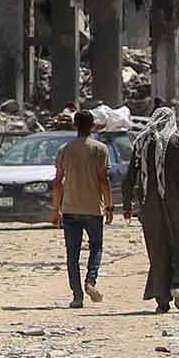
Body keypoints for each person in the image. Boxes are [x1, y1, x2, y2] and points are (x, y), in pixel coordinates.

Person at [124, 104, 179, 313]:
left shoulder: (141, 143)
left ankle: (162, 300)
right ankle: (178, 284)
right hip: (176, 205)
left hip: (149, 207)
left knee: (157, 250)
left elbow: (130, 176)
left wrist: (126, 205)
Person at [51, 108, 114, 308]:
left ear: (75, 126)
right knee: (96, 247)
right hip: (93, 208)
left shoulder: (64, 150)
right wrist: (110, 205)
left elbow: (58, 181)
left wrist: (55, 209)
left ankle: (77, 296)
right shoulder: (100, 149)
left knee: (72, 254)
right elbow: (104, 179)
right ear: (93, 126)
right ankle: (90, 281)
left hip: (70, 208)